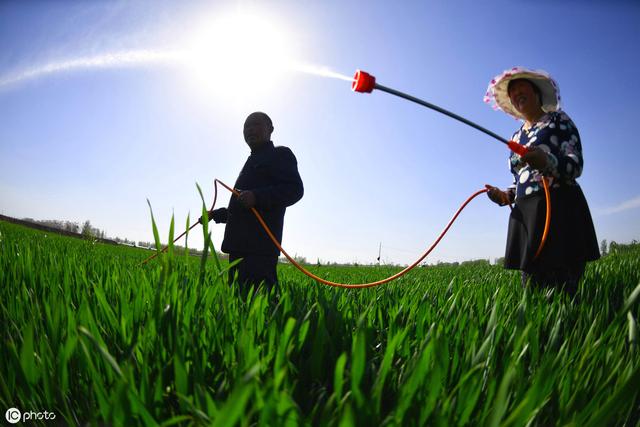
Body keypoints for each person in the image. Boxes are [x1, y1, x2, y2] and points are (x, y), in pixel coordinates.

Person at [483, 67, 599, 297]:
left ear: (537, 93)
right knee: (532, 289)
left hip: (560, 207)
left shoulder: (559, 121)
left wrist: (547, 161)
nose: (516, 94)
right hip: (527, 214)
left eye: (521, 87)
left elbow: (575, 165)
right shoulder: (516, 137)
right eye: (512, 91)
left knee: (566, 287)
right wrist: (507, 195)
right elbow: (520, 179)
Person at [202, 112, 303, 293]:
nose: (249, 129)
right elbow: (242, 208)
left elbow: (294, 190)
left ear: (270, 129)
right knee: (239, 304)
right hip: (237, 248)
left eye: (255, 124)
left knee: (263, 306)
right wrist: (215, 215)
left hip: (259, 250)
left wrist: (257, 197)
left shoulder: (280, 154)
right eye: (246, 126)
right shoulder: (251, 161)